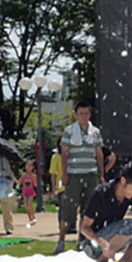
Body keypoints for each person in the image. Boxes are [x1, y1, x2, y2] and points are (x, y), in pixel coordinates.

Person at [80, 161, 132, 262]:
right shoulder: (101, 193)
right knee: (130, 226)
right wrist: (100, 241)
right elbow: (84, 228)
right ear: (123, 180)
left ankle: (125, 261)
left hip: (114, 240)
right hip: (92, 244)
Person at [54, 100, 105, 254]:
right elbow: (64, 153)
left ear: (90, 114)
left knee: (88, 209)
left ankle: (81, 241)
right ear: (76, 115)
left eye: (86, 113)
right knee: (68, 208)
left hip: (91, 173)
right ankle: (61, 240)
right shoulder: (69, 131)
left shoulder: (95, 131)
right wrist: (65, 173)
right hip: (74, 174)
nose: (84, 116)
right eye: (81, 113)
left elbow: (99, 153)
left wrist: (101, 175)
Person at [49, 135, 65, 225]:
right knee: (63, 207)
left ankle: (72, 226)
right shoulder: (56, 157)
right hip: (61, 185)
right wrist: (54, 187)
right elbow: (53, 174)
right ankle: (62, 225)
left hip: (72, 184)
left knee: (72, 207)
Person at [18, 159, 38, 226]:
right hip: (25, 192)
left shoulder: (33, 176)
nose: (28, 167)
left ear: (32, 167)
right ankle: (30, 219)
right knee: (27, 206)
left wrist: (34, 180)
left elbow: (35, 185)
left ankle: (33, 217)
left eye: (30, 165)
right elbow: (19, 182)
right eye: (27, 165)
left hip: (31, 192)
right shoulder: (24, 175)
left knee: (29, 204)